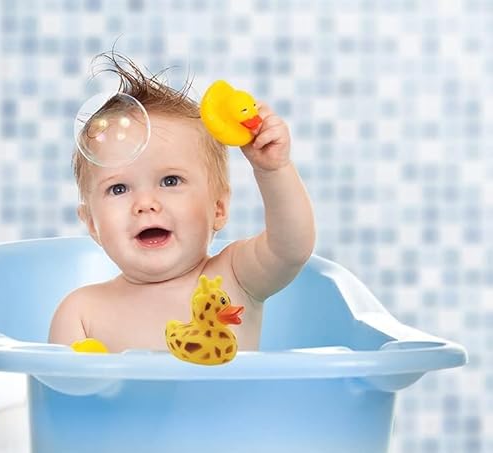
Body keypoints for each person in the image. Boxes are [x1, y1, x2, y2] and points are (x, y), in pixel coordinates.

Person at [49, 54, 316, 353]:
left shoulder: (235, 278)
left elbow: (290, 248)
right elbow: (57, 383)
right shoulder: (81, 313)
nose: (145, 203)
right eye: (118, 188)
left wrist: (273, 171)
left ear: (218, 208)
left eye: (170, 181)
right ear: (92, 224)